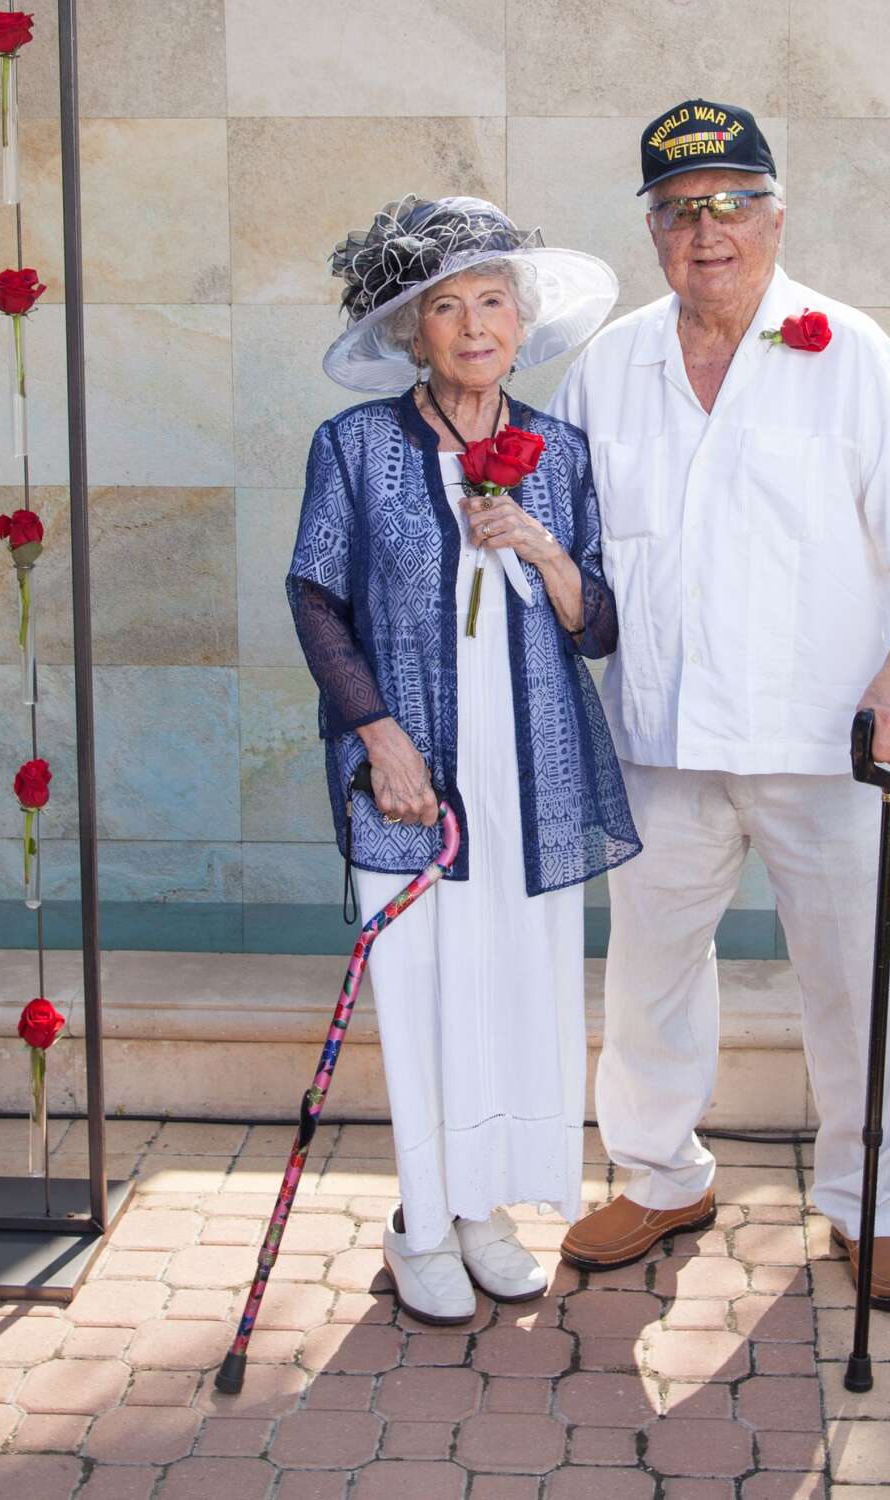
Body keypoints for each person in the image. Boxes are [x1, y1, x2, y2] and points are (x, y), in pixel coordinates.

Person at [549, 100, 890, 1308]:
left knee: (856, 976)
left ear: (777, 215)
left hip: (822, 744)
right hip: (659, 738)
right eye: (682, 208)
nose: (709, 229)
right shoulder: (611, 364)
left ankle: (868, 1203)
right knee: (649, 970)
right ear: (652, 231)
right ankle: (658, 1173)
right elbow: (567, 553)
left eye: (734, 201)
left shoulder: (852, 351)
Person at [287, 195, 640, 1325]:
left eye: (494, 300)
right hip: (415, 777)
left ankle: (485, 1208)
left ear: (520, 320)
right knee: (425, 994)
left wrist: (534, 538)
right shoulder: (352, 447)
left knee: (514, 992)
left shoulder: (562, 451)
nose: (475, 324)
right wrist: (378, 736)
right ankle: (420, 1221)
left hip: (526, 771)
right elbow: (315, 598)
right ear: (412, 331)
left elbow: (597, 624)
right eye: (448, 306)